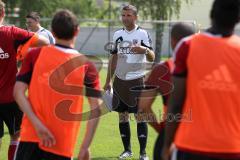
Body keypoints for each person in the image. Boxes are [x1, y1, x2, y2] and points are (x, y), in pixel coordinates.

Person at [14, 9, 102, 160]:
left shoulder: (35, 55)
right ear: (77, 31)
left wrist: (37, 125)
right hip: (62, 143)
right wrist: (85, 147)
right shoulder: (86, 65)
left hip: (31, 137)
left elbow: (18, 92)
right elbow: (96, 108)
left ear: (52, 32)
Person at [162, 0, 240, 160]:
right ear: (238, 19)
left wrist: (166, 144)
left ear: (211, 15)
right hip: (232, 147)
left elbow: (175, 103)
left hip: (190, 147)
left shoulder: (187, 46)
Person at [103, 4, 155, 160]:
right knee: (122, 116)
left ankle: (143, 153)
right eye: (123, 15)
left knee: (140, 116)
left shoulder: (143, 34)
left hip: (137, 80)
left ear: (135, 17)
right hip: (119, 80)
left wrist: (145, 50)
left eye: (128, 15)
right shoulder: (117, 34)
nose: (125, 18)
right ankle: (127, 150)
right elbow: (114, 58)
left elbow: (152, 57)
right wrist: (108, 81)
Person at [138, 22, 196, 160]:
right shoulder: (206, 66)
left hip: (171, 134)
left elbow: (143, 107)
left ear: (172, 40)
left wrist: (161, 129)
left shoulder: (162, 69)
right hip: (199, 136)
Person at [0, 1, 49, 160]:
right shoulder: (12, 32)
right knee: (16, 136)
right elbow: (44, 41)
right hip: (10, 98)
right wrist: (22, 50)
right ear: (3, 14)